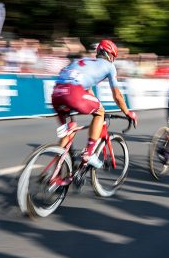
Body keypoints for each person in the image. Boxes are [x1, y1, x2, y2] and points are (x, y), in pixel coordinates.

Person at [51, 39, 137, 169]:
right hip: (73, 93)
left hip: (57, 93)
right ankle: (89, 153)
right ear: (109, 55)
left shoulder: (84, 62)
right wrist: (128, 112)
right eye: (114, 56)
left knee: (69, 132)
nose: (113, 59)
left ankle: (54, 173)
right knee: (100, 112)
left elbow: (87, 90)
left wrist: (94, 102)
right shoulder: (109, 66)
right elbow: (117, 96)